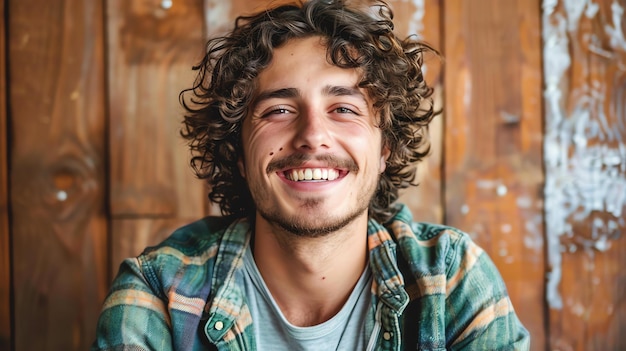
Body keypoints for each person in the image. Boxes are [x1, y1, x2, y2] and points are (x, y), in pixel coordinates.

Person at [92, 0, 530, 350]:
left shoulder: (450, 282)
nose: (312, 136)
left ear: (385, 149)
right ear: (239, 152)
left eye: (343, 109)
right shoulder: (161, 295)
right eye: (279, 110)